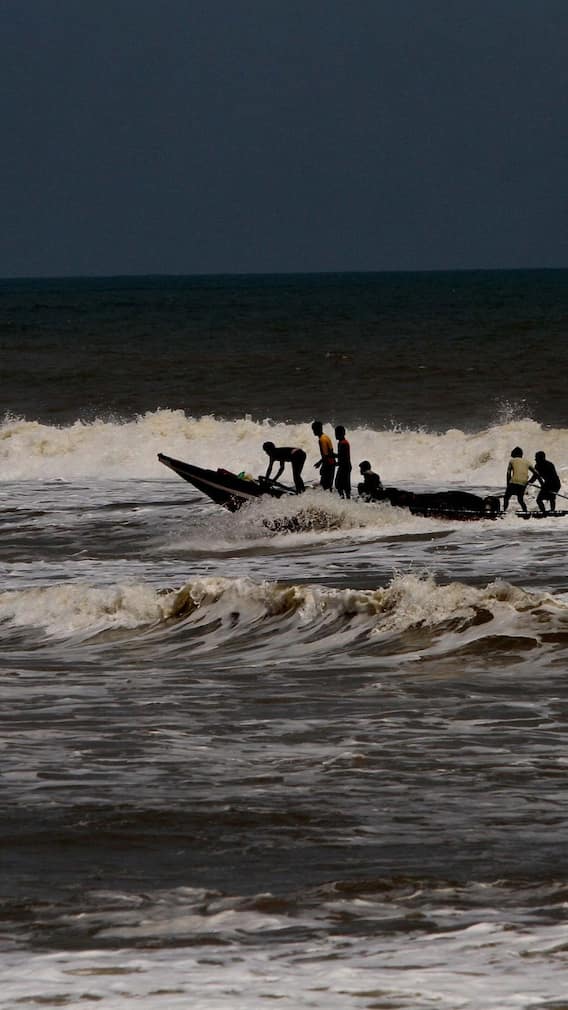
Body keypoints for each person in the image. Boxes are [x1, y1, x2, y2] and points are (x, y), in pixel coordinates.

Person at [503, 446, 536, 514]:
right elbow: (536, 473)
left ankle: (503, 512)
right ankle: (525, 512)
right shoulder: (527, 462)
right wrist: (530, 481)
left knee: (506, 498)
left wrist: (508, 485)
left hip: (514, 482)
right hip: (523, 483)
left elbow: (508, 473)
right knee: (520, 499)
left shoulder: (512, 461)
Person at [311, 421, 335, 491]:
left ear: (318, 429)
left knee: (325, 485)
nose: (313, 431)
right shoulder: (326, 437)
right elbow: (331, 452)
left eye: (314, 429)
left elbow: (326, 455)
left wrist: (320, 464)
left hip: (328, 464)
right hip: (332, 463)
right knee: (329, 484)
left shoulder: (322, 439)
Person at [334, 425, 352, 499]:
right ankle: (345, 499)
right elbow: (341, 456)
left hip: (345, 466)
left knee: (340, 485)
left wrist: (336, 462)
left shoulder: (344, 443)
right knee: (341, 485)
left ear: (343, 433)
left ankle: (345, 499)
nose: (336, 435)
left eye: (337, 433)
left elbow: (343, 457)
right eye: (335, 433)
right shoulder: (340, 442)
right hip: (344, 466)